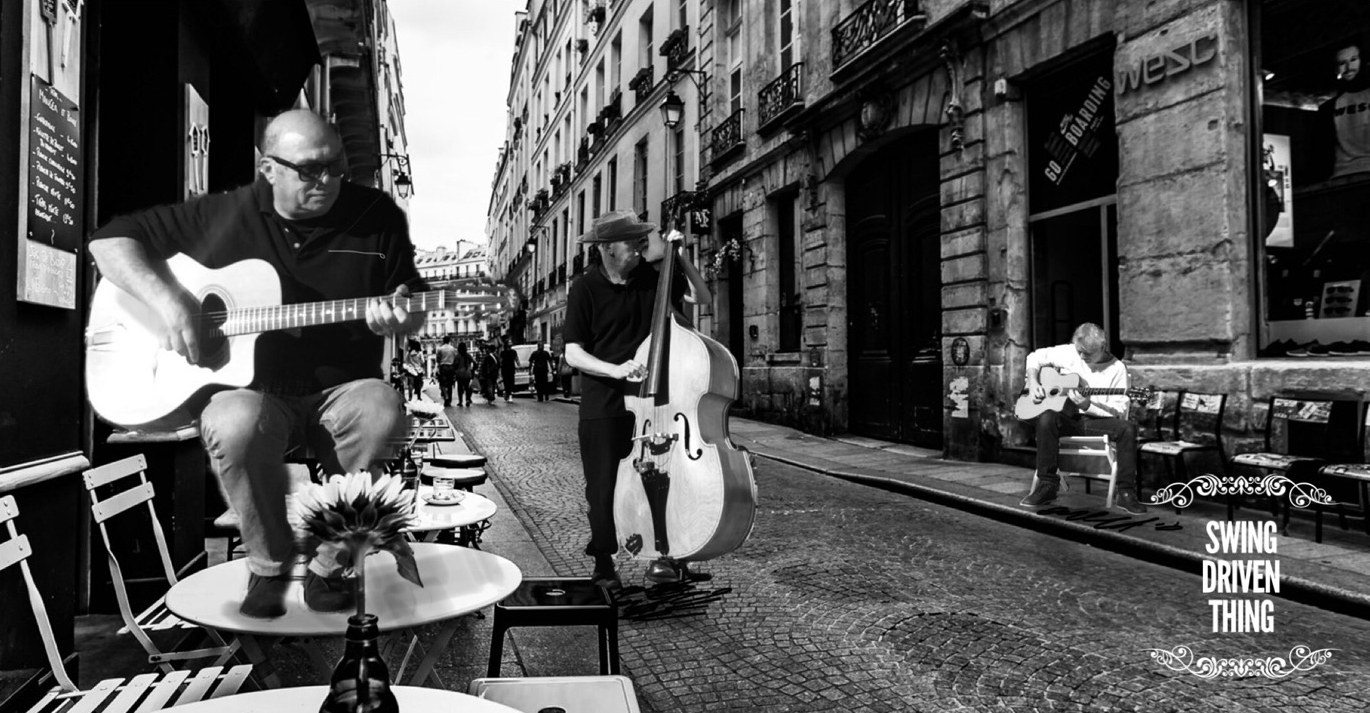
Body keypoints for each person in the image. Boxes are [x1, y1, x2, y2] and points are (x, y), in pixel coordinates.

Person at [87, 110, 425, 618]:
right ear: (269, 168)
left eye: (337, 167)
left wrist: (398, 316)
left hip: (345, 390)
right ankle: (268, 567)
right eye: (310, 170)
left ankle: (329, 566)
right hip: (257, 392)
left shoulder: (377, 216)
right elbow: (108, 242)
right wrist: (170, 301)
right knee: (232, 420)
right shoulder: (224, 214)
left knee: (383, 410)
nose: (329, 180)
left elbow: (409, 302)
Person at [563, 210, 713, 589]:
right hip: (605, 401)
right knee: (602, 487)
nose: (640, 245)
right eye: (632, 241)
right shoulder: (584, 288)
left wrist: (678, 256)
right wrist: (615, 370)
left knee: (664, 478)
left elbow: (701, 296)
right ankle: (603, 564)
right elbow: (573, 353)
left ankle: (668, 555)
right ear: (608, 249)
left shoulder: (651, 277)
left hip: (656, 403)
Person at [1017, 323, 1146, 515]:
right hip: (1068, 419)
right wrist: (1034, 382)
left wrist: (1088, 405)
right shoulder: (1069, 352)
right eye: (1080, 352)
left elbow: (1118, 411)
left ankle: (1126, 492)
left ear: (1102, 347)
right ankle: (1047, 485)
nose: (1083, 357)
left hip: (1097, 422)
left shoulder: (1117, 369)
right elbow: (1034, 357)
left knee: (1127, 428)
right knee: (1046, 418)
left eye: (1089, 353)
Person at [435, 335, 459, 407]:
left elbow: (438, 359)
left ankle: (446, 396)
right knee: (450, 384)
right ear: (449, 341)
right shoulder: (453, 349)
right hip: (451, 367)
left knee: (442, 383)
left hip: (443, 367)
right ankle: (449, 400)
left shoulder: (440, 349)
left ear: (443, 341)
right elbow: (455, 359)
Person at [454, 341, 475, 407]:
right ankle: (467, 400)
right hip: (467, 373)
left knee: (460, 388)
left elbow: (455, 365)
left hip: (460, 374)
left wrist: (455, 372)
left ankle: (460, 401)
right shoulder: (468, 355)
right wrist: (472, 370)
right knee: (467, 387)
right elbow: (474, 362)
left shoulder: (457, 356)